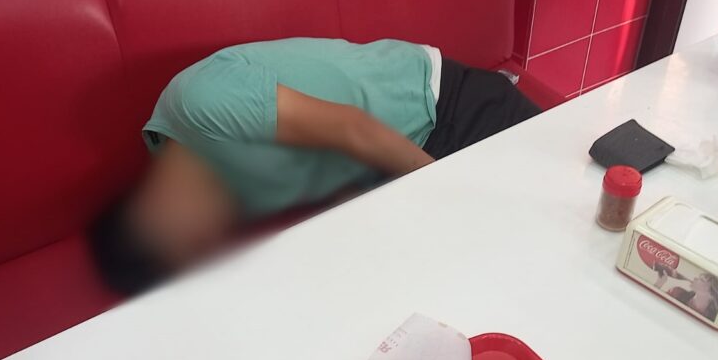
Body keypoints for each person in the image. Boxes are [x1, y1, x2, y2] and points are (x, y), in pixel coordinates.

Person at [89, 37, 540, 294]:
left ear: (148, 207)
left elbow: (352, 128)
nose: (208, 237)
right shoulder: (220, 189)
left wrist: (446, 197)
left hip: (440, 102)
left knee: (549, 207)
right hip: (385, 167)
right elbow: (323, 174)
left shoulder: (198, 102)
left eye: (186, 237)